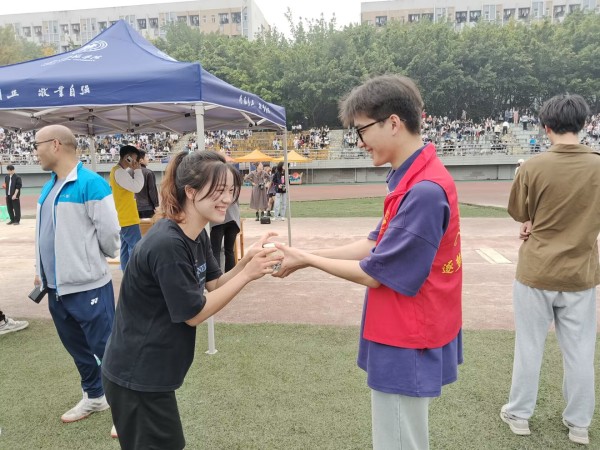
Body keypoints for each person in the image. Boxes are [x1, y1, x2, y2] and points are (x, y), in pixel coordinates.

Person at [272, 75, 463, 450]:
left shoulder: (423, 190)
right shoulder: (413, 179)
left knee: (399, 441)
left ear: (393, 123)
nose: (359, 142)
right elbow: (372, 243)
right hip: (404, 327)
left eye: (361, 130)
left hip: (406, 333)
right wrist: (302, 254)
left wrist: (307, 260)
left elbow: (375, 274)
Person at [101, 150, 282, 450]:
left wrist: (246, 262)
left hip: (151, 372)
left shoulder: (196, 233)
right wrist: (248, 275)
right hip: (136, 374)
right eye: (219, 190)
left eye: (231, 191)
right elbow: (194, 314)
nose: (227, 199)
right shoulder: (168, 243)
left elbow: (215, 284)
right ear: (191, 191)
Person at [501, 94, 600, 446]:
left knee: (529, 346)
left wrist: (532, 222)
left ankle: (519, 415)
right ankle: (579, 424)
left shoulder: (533, 166)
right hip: (581, 274)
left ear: (546, 127)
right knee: (581, 351)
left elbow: (519, 212)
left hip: (536, 270)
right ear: (584, 124)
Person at [33, 124, 120, 424]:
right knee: (78, 349)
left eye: (37, 145)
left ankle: (128, 408)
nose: (35, 151)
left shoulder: (91, 184)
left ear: (55, 145)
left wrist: (86, 263)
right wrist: (40, 270)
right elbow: (45, 234)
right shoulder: (49, 186)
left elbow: (110, 237)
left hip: (89, 287)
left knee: (108, 349)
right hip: (56, 289)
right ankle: (95, 396)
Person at [109, 145, 144, 270]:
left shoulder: (117, 171)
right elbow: (137, 187)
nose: (135, 161)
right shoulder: (120, 172)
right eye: (134, 158)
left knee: (125, 250)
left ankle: (127, 274)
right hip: (128, 218)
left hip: (123, 216)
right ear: (127, 157)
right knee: (136, 248)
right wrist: (138, 170)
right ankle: (136, 274)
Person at [210, 199, 241, 272]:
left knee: (215, 251)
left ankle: (216, 276)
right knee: (229, 250)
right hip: (233, 218)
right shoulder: (233, 191)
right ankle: (230, 276)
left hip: (218, 221)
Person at [135, 149, 159, 219]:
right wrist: (156, 205)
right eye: (147, 157)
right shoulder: (148, 173)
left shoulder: (129, 172)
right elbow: (152, 191)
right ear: (141, 160)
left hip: (134, 207)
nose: (148, 159)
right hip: (147, 208)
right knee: (149, 225)